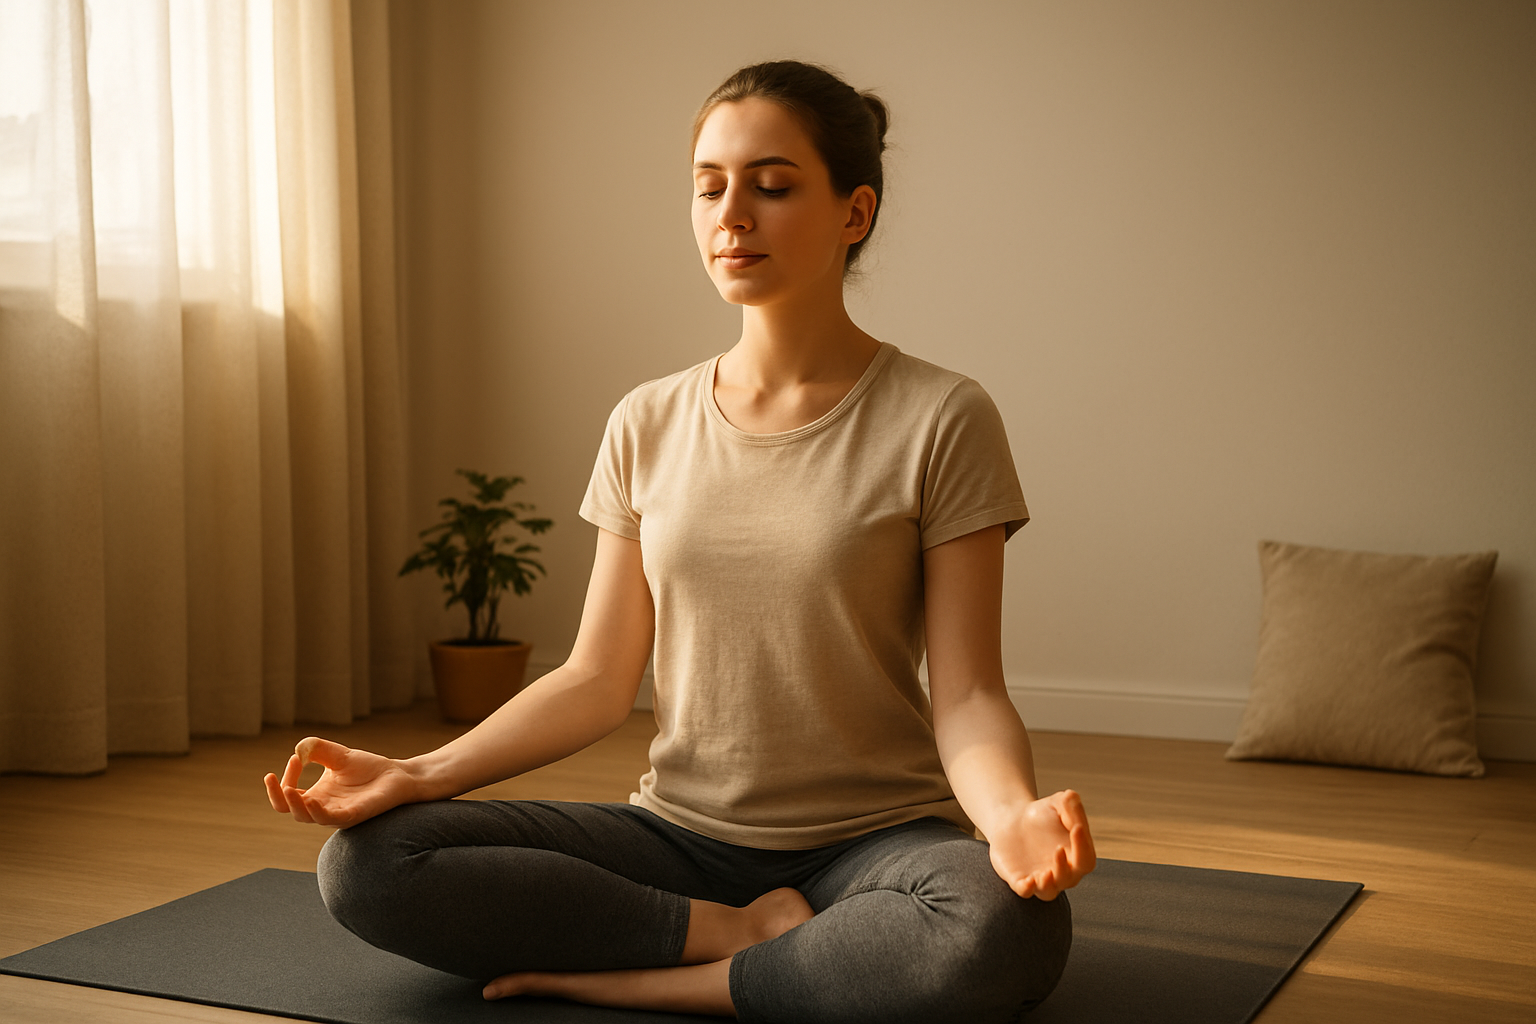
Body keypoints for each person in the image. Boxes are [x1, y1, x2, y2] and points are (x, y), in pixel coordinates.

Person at [264, 60, 1095, 1024]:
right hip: (678, 839)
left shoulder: (943, 416)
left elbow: (968, 693)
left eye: (771, 186)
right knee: (369, 864)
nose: (730, 214)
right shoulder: (646, 420)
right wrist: (418, 773)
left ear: (853, 213)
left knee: (1004, 924)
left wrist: (1009, 820)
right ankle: (732, 938)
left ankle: (667, 979)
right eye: (708, 187)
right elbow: (594, 679)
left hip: (876, 844)